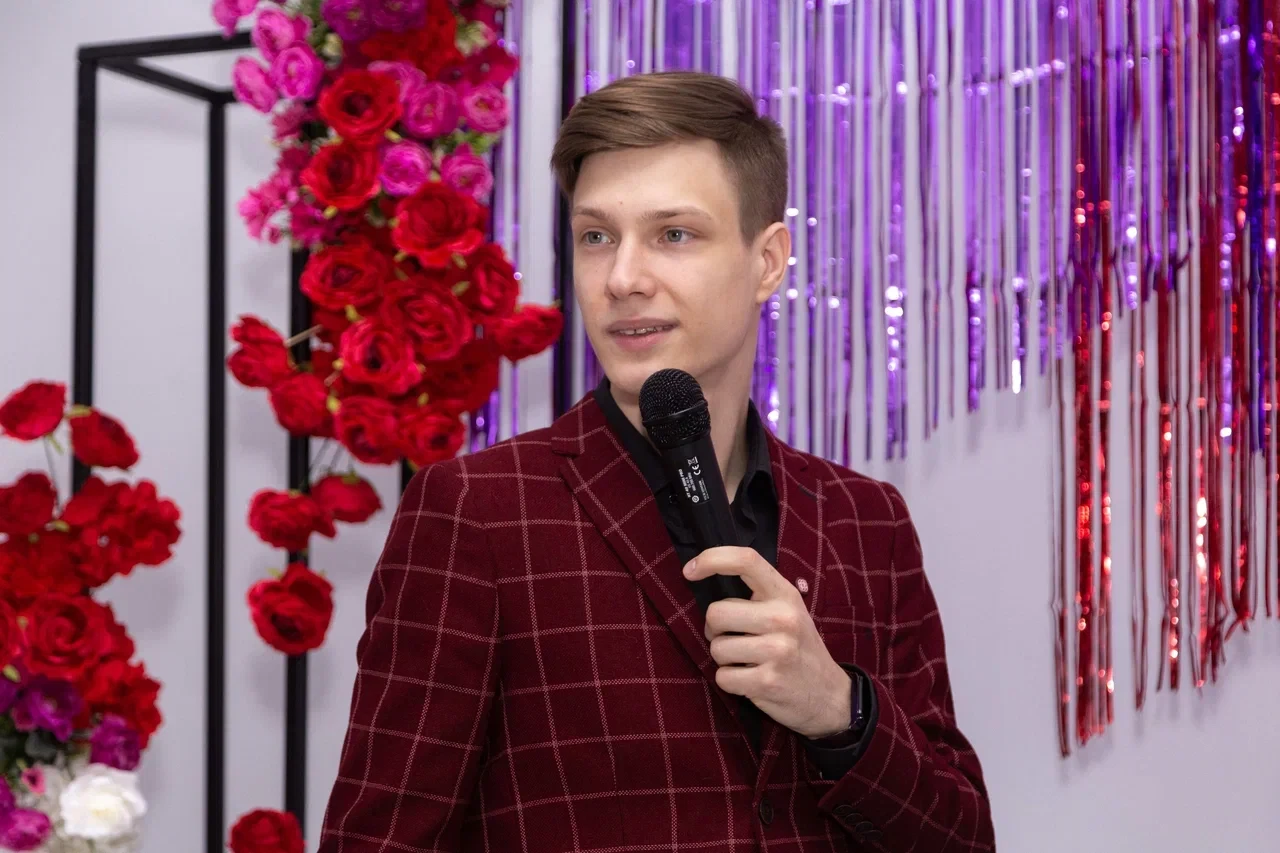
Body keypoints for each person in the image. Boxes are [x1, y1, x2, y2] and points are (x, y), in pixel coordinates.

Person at [317, 71, 995, 852]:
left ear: (768, 261)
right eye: (596, 236)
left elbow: (965, 838)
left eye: (674, 234)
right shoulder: (477, 511)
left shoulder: (868, 520)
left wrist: (839, 709)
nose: (622, 279)